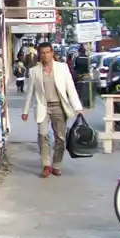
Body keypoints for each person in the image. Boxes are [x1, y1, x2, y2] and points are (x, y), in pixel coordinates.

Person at [22, 42, 84, 178]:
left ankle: (56, 165)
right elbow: (29, 93)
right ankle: (46, 165)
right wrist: (25, 111)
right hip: (43, 106)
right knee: (42, 134)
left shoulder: (62, 68)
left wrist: (78, 108)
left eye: (48, 52)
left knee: (60, 138)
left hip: (59, 107)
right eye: (43, 53)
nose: (46, 55)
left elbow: (71, 89)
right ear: (39, 54)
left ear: (52, 53)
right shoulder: (34, 71)